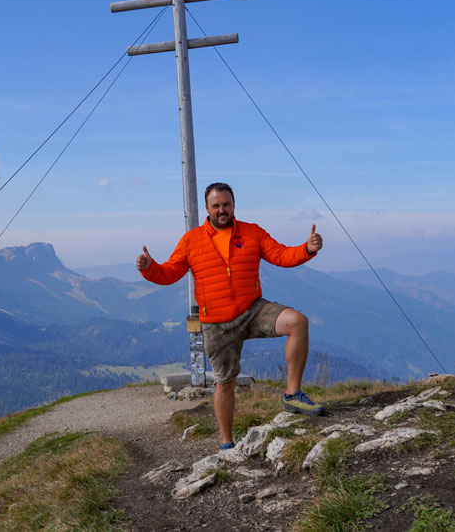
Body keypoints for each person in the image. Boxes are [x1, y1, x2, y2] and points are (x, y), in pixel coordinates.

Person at [136, 182, 324, 450]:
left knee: (298, 322)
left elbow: (280, 255)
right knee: (225, 384)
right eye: (216, 206)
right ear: (207, 208)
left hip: (252, 309)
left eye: (226, 204)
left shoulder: (252, 232)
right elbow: (169, 273)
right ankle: (227, 443)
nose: (222, 210)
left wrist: (308, 249)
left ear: (234, 205)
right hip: (216, 322)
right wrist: (149, 268)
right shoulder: (191, 240)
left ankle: (292, 395)